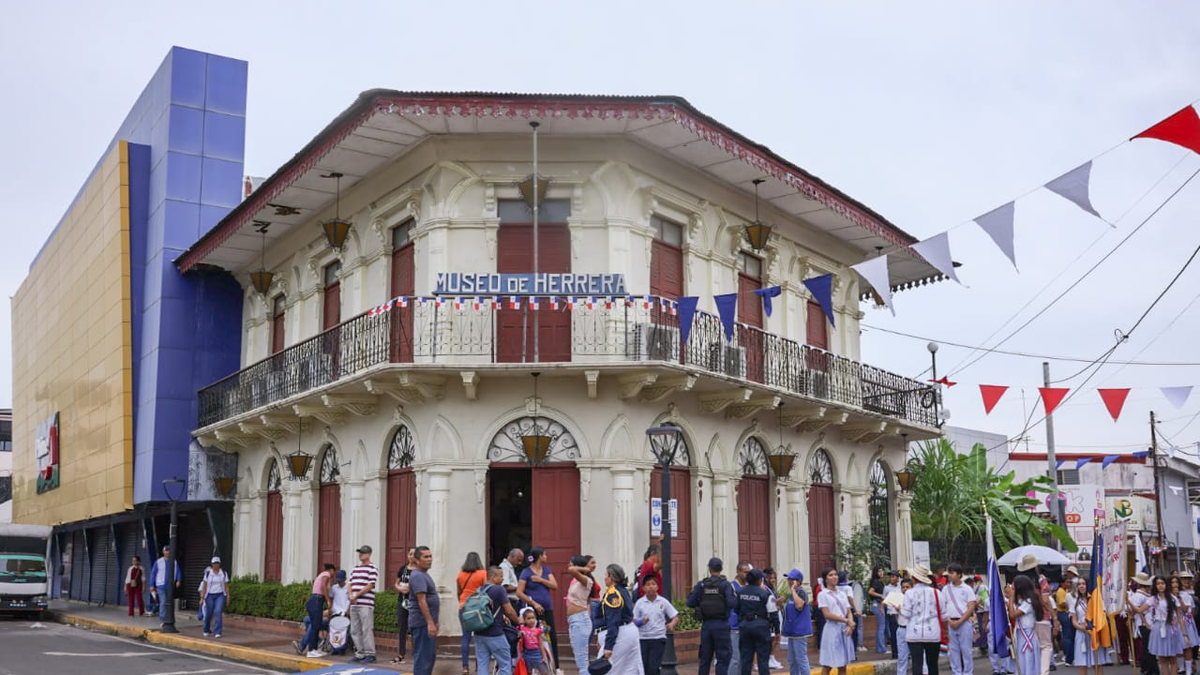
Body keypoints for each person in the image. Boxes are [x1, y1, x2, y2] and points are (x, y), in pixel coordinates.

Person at [688, 557, 735, 675]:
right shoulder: (725, 585)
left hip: (707, 625)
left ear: (709, 569)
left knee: (705, 659)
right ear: (722, 569)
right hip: (722, 625)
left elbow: (690, 603)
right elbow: (732, 603)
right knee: (723, 659)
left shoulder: (702, 585)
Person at [517, 547, 560, 673]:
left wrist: (541, 579)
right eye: (545, 555)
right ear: (540, 556)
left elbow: (555, 586)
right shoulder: (526, 572)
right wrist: (533, 603)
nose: (546, 557)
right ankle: (532, 666)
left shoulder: (546, 570)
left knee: (551, 636)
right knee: (533, 636)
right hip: (533, 611)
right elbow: (519, 592)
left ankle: (554, 666)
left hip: (547, 609)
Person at [474, 566, 520, 675]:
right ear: (494, 577)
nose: (503, 579)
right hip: (495, 633)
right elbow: (509, 611)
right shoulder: (499, 589)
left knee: (482, 664)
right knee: (505, 664)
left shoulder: (479, 590)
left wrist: (501, 616)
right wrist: (519, 621)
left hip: (479, 633)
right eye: (501, 576)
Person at [599, 563, 641, 675]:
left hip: (621, 632)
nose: (604, 577)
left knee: (605, 670)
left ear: (611, 577)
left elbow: (614, 620)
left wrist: (609, 646)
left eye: (606, 575)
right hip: (630, 630)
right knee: (629, 670)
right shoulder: (622, 590)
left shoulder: (613, 594)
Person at [634, 575, 679, 675]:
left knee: (653, 667)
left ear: (657, 587)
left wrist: (671, 625)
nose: (651, 587)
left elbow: (675, 617)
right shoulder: (639, 603)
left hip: (658, 639)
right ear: (643, 588)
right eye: (648, 585)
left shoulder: (663, 602)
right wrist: (641, 622)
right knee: (643, 667)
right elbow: (633, 620)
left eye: (653, 584)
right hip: (643, 639)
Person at [902, 565, 941, 675]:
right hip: (932, 633)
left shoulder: (909, 593)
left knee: (917, 664)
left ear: (914, 579)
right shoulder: (937, 593)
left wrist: (900, 608)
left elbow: (905, 614)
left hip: (914, 634)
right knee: (933, 665)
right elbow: (943, 613)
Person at [566, 554, 601, 674]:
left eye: (571, 563)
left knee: (582, 661)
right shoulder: (577, 580)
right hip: (574, 620)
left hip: (580, 620)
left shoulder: (587, 580)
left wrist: (585, 569)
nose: (569, 565)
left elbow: (571, 570)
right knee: (579, 658)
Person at [409, 545, 440, 675]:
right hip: (422, 624)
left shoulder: (424, 575)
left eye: (430, 556)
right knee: (423, 660)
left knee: (428, 657)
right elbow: (421, 600)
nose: (429, 559)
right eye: (425, 557)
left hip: (426, 624)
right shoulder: (417, 576)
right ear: (416, 560)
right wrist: (430, 622)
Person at [736, 568, 774, 675]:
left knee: (746, 660)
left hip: (745, 627)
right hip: (761, 627)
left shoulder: (740, 591)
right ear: (758, 580)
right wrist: (776, 628)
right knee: (763, 660)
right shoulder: (765, 594)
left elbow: (736, 608)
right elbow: (773, 613)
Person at [943, 563, 979, 675]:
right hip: (950, 622)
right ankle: (956, 672)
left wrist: (960, 621)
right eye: (948, 573)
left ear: (959, 574)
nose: (949, 575)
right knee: (953, 651)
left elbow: (971, 607)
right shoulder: (946, 589)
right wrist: (949, 621)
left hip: (964, 622)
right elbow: (942, 607)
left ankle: (968, 672)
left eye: (951, 573)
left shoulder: (967, 589)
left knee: (966, 650)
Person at [819, 567, 855, 675]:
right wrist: (846, 621)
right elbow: (827, 614)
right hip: (832, 630)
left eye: (835, 574)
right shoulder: (823, 594)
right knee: (828, 664)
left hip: (843, 629)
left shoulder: (842, 594)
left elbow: (848, 611)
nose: (834, 577)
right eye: (831, 575)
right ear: (825, 579)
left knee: (843, 664)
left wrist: (850, 625)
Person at [1148, 575, 1186, 675]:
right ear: (1155, 586)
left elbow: (1179, 617)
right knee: (1162, 659)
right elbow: (1140, 610)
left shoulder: (1173, 599)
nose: (1160, 586)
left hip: (1171, 629)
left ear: (1166, 585)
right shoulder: (1153, 599)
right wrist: (1128, 601)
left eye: (1162, 583)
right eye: (1158, 584)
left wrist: (1185, 635)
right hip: (1158, 629)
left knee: (1173, 658)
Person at [349, 545, 380, 665]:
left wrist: (356, 595)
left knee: (366, 629)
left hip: (366, 603)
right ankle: (360, 653)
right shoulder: (355, 568)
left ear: (369, 554)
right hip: (354, 604)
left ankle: (370, 654)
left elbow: (370, 585)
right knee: (355, 630)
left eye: (363, 553)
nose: (360, 555)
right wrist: (351, 595)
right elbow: (350, 583)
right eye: (360, 553)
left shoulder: (372, 568)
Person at [296, 562, 335, 656]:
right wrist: (328, 601)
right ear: (331, 570)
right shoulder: (327, 574)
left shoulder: (321, 575)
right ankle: (311, 650)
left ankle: (314, 648)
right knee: (315, 626)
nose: (334, 575)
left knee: (316, 625)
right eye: (334, 572)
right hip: (317, 600)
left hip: (315, 601)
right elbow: (323, 587)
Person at [458, 552, 488, 675]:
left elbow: (459, 592)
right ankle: (478, 667)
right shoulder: (483, 573)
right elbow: (485, 590)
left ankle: (465, 667)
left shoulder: (460, 575)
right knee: (479, 638)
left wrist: (462, 604)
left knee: (465, 637)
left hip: (463, 607)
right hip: (477, 608)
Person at [1071, 577, 1107, 675]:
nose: (1081, 586)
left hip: (1094, 632)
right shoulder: (1075, 601)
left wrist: (1093, 628)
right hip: (1081, 632)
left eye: (1084, 584)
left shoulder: (1096, 600)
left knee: (1098, 662)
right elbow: (1074, 621)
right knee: (1082, 663)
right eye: (1079, 584)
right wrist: (1082, 628)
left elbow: (1102, 615)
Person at [1010, 575, 1044, 675]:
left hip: (1027, 635)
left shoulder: (1028, 602)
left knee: (1028, 662)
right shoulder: (1021, 601)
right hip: (1021, 634)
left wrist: (1011, 599)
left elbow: (1012, 615)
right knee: (1022, 661)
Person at [781, 569, 812, 675]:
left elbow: (799, 606)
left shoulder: (801, 592)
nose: (789, 581)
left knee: (801, 659)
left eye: (792, 579)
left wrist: (793, 590)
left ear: (798, 581)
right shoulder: (793, 594)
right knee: (792, 660)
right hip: (792, 632)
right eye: (789, 579)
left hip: (800, 632)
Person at [1130, 573, 1161, 675]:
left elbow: (1136, 609)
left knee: (1148, 647)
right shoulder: (1144, 595)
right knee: (1147, 646)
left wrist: (1130, 608)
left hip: (1145, 623)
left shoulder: (1138, 596)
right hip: (1148, 622)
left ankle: (1151, 669)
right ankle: (1148, 668)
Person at [392, 548, 417, 666]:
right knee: (402, 627)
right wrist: (399, 588)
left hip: (414, 602)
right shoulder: (403, 569)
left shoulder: (419, 570)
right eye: (410, 554)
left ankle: (416, 654)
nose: (412, 556)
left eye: (414, 554)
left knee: (414, 628)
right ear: (407, 556)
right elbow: (396, 583)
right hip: (402, 601)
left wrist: (410, 588)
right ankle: (401, 654)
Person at [150, 545, 182, 624]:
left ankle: (170, 619)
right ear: (163, 552)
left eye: (169, 551)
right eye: (166, 551)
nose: (167, 552)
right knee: (163, 602)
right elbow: (153, 573)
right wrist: (151, 585)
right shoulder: (158, 562)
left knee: (170, 603)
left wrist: (179, 580)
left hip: (170, 586)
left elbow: (178, 571)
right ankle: (163, 620)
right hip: (161, 585)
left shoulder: (174, 561)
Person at [199, 556, 229, 639]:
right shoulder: (208, 573)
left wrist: (228, 596)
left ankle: (217, 632)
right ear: (211, 564)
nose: (215, 565)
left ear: (219, 564)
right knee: (209, 613)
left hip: (220, 595)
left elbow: (226, 586)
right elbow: (204, 586)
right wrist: (202, 597)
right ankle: (206, 629)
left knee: (218, 611)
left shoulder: (223, 573)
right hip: (210, 595)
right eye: (214, 563)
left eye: (217, 563)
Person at [729, 562, 750, 675]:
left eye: (748, 572)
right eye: (745, 572)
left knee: (744, 658)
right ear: (738, 572)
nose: (747, 574)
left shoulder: (748, 587)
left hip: (746, 626)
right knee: (735, 658)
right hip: (734, 627)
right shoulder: (731, 586)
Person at [519, 607, 555, 675]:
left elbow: (541, 645)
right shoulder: (522, 629)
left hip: (537, 654)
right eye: (528, 618)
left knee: (544, 672)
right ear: (524, 620)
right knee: (528, 672)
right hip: (527, 654)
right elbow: (517, 633)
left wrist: (544, 657)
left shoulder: (538, 631)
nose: (531, 620)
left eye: (533, 618)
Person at [1177, 574, 1199, 675]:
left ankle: (1190, 667)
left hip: (1189, 620)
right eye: (1184, 579)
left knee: (1189, 645)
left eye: (1188, 579)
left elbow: (1190, 610)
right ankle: (1181, 667)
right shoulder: (1172, 594)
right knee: (1179, 645)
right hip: (1176, 622)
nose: (1186, 581)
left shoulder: (1189, 594)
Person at [1059, 567, 1080, 667]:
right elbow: (1066, 605)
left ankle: (1072, 658)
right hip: (1073, 616)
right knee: (1073, 638)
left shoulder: (1073, 595)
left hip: (1076, 616)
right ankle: (1071, 658)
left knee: (1075, 638)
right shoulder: (1069, 595)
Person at [764, 568, 784, 670]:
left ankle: (772, 657)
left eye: (774, 578)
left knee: (776, 639)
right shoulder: (765, 588)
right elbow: (768, 604)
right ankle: (768, 658)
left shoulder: (772, 588)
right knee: (773, 638)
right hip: (771, 617)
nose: (773, 580)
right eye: (771, 578)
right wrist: (777, 601)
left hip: (777, 614)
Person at [328, 569, 351, 655]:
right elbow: (331, 598)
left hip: (344, 612)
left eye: (341, 581)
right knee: (334, 630)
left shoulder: (348, 587)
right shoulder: (334, 587)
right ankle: (334, 647)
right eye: (338, 581)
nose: (339, 583)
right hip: (335, 612)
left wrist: (348, 610)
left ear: (345, 579)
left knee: (343, 631)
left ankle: (342, 648)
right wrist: (330, 609)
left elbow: (350, 600)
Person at [869, 567, 887, 654]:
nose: (881, 572)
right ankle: (882, 648)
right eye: (879, 571)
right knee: (881, 626)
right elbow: (870, 592)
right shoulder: (876, 582)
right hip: (877, 603)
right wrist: (881, 595)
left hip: (878, 603)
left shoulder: (879, 581)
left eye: (882, 570)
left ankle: (879, 648)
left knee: (881, 626)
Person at [897, 578, 914, 675]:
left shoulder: (915, 599)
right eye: (903, 587)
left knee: (917, 656)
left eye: (907, 587)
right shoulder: (898, 598)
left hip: (912, 629)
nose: (905, 589)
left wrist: (900, 610)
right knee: (902, 657)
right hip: (902, 629)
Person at [883, 570, 902, 660]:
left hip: (901, 613)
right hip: (892, 613)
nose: (892, 578)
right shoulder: (887, 588)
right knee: (894, 634)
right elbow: (884, 599)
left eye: (893, 576)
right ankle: (895, 653)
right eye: (890, 577)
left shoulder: (901, 587)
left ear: (898, 577)